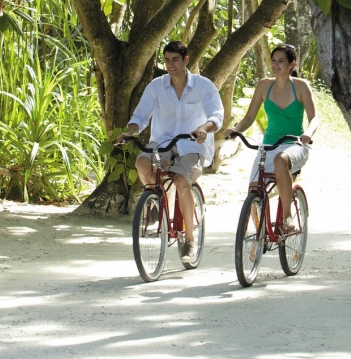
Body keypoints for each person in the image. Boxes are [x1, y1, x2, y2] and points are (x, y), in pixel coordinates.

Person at [118, 40, 224, 263]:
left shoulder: (203, 86)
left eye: (175, 59)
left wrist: (204, 128)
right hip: (163, 143)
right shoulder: (156, 86)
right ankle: (157, 201)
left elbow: (217, 115)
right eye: (166, 60)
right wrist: (130, 132)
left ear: (186, 60)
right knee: (142, 163)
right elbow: (140, 117)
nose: (170, 64)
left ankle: (190, 240)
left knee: (181, 181)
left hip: (192, 145)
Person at [232, 43, 317, 232]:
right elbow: (249, 117)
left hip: (295, 144)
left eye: (281, 61)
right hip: (269, 145)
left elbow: (314, 119)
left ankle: (287, 217)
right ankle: (259, 235)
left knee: (281, 160)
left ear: (291, 64)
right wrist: (235, 131)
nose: (276, 65)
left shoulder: (301, 87)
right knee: (253, 192)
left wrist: (307, 134)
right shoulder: (264, 85)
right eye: (273, 61)